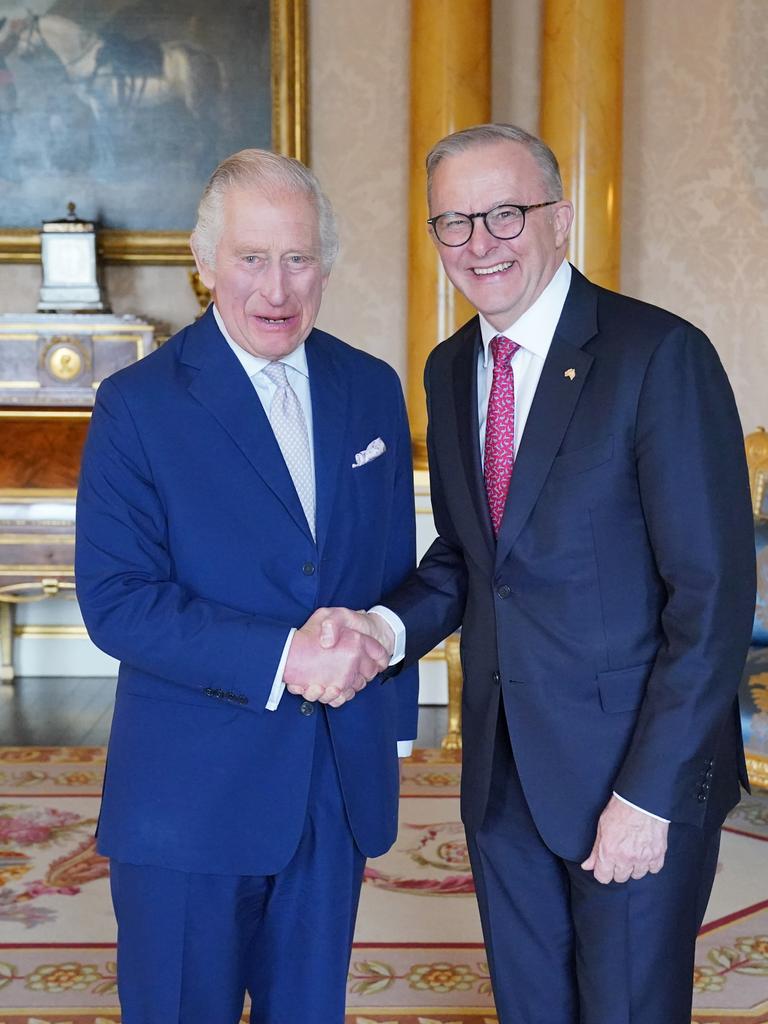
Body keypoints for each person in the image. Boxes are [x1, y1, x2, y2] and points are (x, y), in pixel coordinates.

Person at [319, 123, 756, 1023]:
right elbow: (470, 557)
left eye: (505, 215)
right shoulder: (448, 372)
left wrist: (649, 794)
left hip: (632, 775)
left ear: (560, 220)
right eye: (454, 223)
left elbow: (711, 601)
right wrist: (384, 629)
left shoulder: (658, 357)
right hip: (503, 772)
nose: (480, 244)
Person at [75, 148, 419, 1024]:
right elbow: (117, 599)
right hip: (190, 797)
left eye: (298, 258)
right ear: (204, 264)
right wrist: (286, 656)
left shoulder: (372, 390)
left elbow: (389, 575)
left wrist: (382, 674)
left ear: (326, 267)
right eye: (252, 258)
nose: (278, 287)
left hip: (332, 787)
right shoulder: (136, 405)